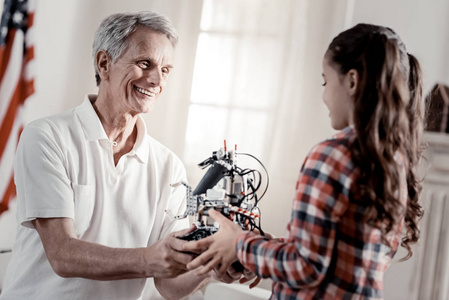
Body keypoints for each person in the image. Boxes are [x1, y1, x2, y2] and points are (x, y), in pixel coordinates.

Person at [0, 11, 245, 300]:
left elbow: (168, 285)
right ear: (104, 64)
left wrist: (212, 265)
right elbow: (63, 255)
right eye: (145, 64)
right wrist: (149, 258)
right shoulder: (46, 136)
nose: (156, 80)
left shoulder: (168, 166)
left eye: (166, 70)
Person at [183, 23, 425, 299]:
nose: (324, 96)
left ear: (352, 81)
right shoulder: (392, 159)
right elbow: (332, 258)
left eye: (325, 81)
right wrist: (261, 250)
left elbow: (306, 267)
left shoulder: (332, 155)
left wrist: (240, 244)